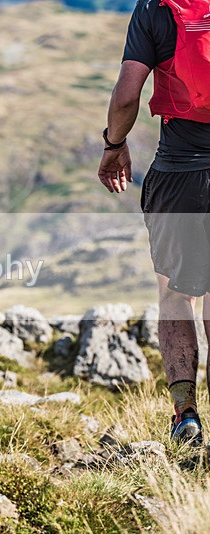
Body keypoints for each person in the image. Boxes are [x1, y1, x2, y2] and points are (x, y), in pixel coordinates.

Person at [98, 0, 210, 446]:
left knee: (175, 293)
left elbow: (128, 95)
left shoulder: (154, 9)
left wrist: (114, 145)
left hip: (179, 175)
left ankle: (186, 414)